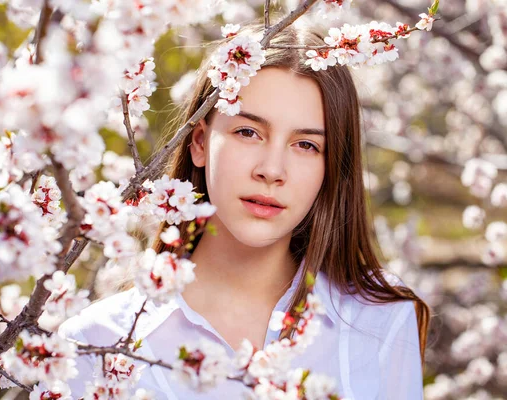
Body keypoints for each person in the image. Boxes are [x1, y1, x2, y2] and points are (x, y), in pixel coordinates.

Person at [58, 22, 430, 400]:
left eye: (305, 145)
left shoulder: (380, 320)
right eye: (248, 133)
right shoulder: (94, 345)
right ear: (200, 142)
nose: (271, 170)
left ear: (331, 167)